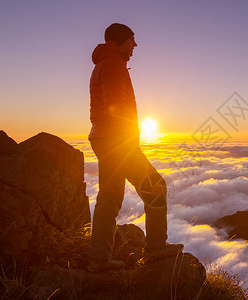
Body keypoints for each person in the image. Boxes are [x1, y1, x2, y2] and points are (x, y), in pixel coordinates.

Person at [87, 23, 183, 272]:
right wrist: (127, 142)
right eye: (132, 40)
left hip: (104, 138)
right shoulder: (113, 65)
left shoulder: (104, 63)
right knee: (156, 188)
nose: (135, 45)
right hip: (116, 140)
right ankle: (155, 248)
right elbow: (115, 107)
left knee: (109, 198)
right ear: (119, 41)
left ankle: (99, 260)